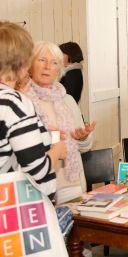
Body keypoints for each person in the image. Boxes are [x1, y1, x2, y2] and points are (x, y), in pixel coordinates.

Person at [0, 21, 67, 199]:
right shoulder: (15, 104)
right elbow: (38, 171)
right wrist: (58, 150)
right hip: (20, 213)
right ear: (23, 63)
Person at [26, 41, 96, 204]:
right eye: (42, 60)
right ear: (30, 65)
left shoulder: (68, 100)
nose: (47, 66)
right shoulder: (24, 101)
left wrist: (82, 137)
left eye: (54, 62)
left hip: (73, 184)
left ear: (59, 69)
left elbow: (85, 147)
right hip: (38, 189)